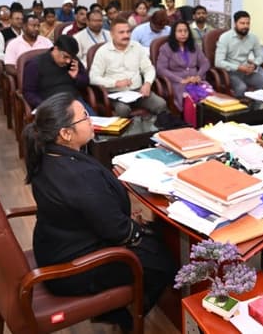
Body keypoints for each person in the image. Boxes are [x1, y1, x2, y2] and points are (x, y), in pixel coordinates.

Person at [24, 93, 174, 331]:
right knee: (164, 261)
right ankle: (126, 318)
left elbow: (91, 211)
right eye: (84, 117)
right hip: (72, 269)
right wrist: (137, 230)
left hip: (55, 246)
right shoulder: (78, 176)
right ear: (66, 133)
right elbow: (117, 230)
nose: (91, 120)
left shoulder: (47, 156)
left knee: (153, 236)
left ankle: (115, 310)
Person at [89, 18, 168, 117]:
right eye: (121, 32)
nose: (126, 35)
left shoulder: (137, 47)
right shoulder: (103, 52)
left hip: (138, 91)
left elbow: (148, 68)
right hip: (115, 94)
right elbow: (93, 78)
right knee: (123, 110)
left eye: (128, 32)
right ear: (112, 34)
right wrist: (115, 83)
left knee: (160, 104)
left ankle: (157, 127)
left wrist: (147, 83)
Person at [22, 35, 94, 114]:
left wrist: (76, 77)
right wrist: (44, 105)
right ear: (55, 49)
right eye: (65, 57)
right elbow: (29, 92)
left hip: (75, 101)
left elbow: (85, 83)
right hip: (52, 105)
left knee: (93, 120)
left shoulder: (73, 62)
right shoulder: (35, 64)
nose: (68, 61)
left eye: (71, 57)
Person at [155, 21, 210, 111]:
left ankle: (209, 118)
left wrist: (198, 76)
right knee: (191, 101)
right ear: (174, 33)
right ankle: (192, 119)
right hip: (178, 83)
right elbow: (161, 69)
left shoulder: (194, 46)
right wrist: (180, 80)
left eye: (185, 31)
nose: (183, 34)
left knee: (210, 99)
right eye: (180, 31)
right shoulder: (166, 48)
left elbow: (205, 63)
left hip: (196, 81)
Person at [215, 10, 263, 97]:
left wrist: (255, 65)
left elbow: (260, 56)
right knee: (241, 88)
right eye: (242, 23)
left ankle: (257, 105)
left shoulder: (253, 38)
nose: (245, 26)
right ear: (235, 23)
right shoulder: (225, 38)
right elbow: (218, 62)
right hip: (230, 73)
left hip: (247, 72)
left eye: (248, 23)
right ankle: (238, 106)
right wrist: (238, 67)